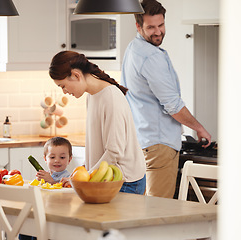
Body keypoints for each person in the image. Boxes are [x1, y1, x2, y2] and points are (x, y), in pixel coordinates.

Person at [120, 0, 212, 198]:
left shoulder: (133, 48)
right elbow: (173, 105)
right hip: (159, 146)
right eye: (151, 27)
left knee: (144, 208)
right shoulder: (151, 57)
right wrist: (199, 128)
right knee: (157, 212)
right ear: (138, 26)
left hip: (142, 141)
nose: (157, 32)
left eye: (160, 25)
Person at [49, 50, 146, 195]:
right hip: (105, 179)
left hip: (124, 181)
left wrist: (85, 177)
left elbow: (114, 151)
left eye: (63, 86)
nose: (64, 91)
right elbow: (98, 149)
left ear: (76, 75)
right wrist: (79, 174)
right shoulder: (92, 96)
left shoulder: (110, 97)